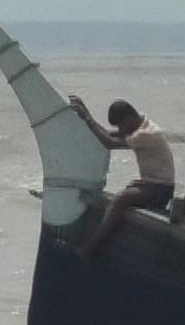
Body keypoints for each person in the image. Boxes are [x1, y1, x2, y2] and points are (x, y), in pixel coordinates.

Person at [68, 95, 176, 259]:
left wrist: (88, 118)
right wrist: (85, 121)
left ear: (128, 118)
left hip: (160, 189)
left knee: (121, 200)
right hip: (149, 184)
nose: (120, 129)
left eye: (120, 125)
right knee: (117, 199)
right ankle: (97, 237)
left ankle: (91, 247)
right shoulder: (139, 123)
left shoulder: (146, 134)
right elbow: (109, 134)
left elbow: (109, 142)